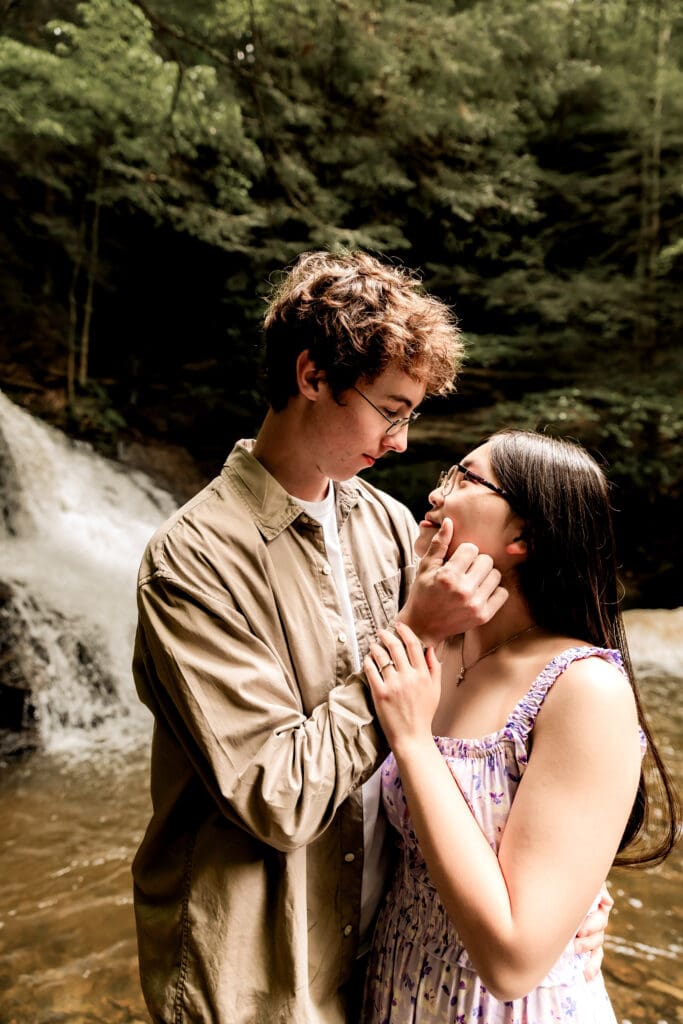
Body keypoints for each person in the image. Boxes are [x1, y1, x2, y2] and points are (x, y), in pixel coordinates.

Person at [131, 252, 610, 1024]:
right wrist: (413, 631)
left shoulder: (390, 527)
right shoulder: (192, 560)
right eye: (389, 410)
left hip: (385, 958)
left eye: (410, 415)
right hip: (258, 973)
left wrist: (568, 886)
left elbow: (484, 715)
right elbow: (276, 797)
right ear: (312, 376)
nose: (398, 442)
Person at [361, 429, 680, 1023]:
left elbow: (512, 964)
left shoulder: (583, 688)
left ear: (524, 536)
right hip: (396, 988)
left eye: (464, 478)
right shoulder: (433, 643)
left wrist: (411, 740)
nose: (436, 491)